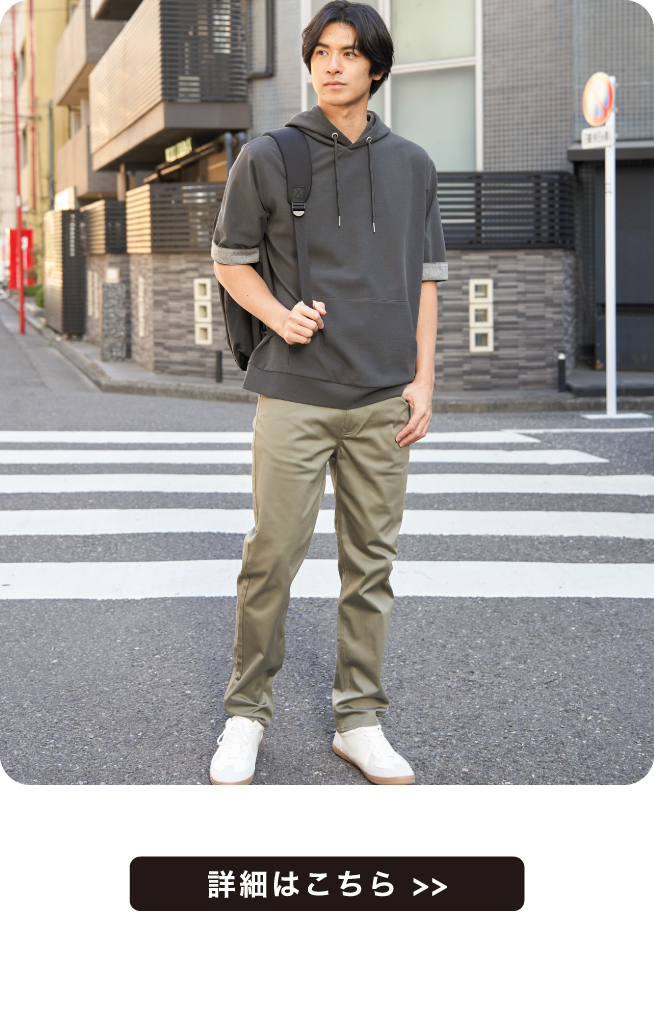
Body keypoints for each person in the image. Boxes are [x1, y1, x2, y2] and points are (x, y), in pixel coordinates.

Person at [210, 0, 447, 786]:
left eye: (349, 53)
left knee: (370, 564)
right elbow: (230, 260)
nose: (333, 65)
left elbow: (426, 279)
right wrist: (280, 316)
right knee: (271, 557)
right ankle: (246, 714)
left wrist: (424, 379)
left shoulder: (413, 164)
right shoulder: (270, 156)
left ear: (376, 67)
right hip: (295, 391)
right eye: (321, 52)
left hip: (382, 396)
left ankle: (359, 720)